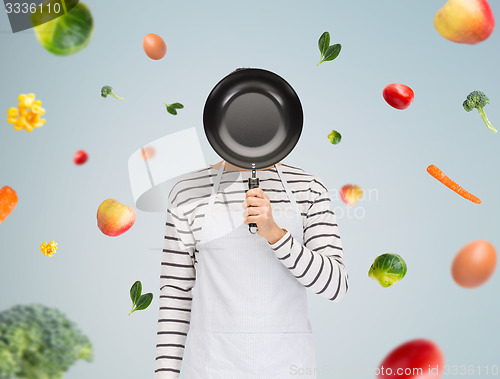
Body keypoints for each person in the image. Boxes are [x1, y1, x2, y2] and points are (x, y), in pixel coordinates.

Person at [154, 160, 348, 378]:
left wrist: (276, 234)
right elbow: (175, 295)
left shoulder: (308, 189)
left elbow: (336, 286)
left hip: (287, 367)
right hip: (212, 367)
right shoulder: (188, 192)